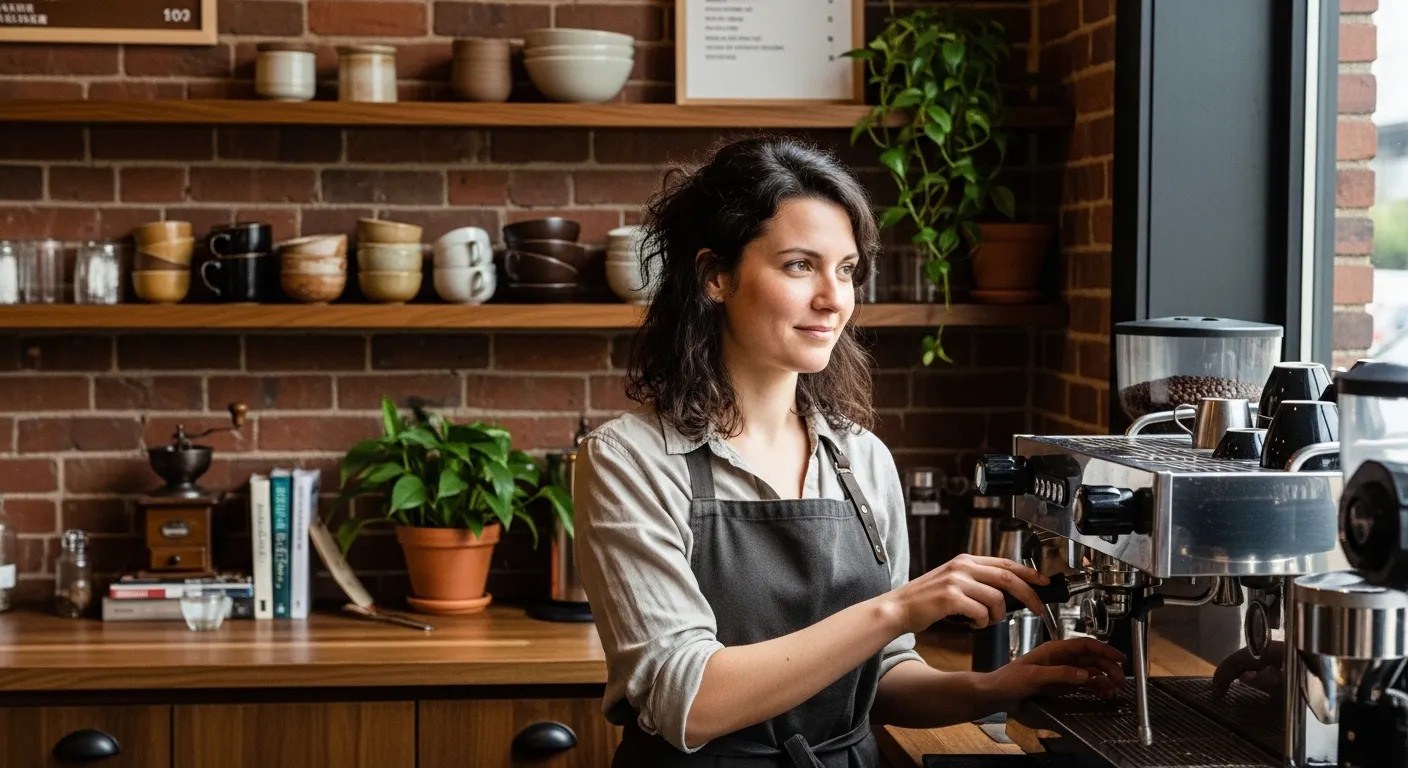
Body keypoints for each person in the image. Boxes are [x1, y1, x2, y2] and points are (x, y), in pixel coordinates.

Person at [572, 136, 1127, 768]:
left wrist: (996, 688)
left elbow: (879, 675)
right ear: (715, 276)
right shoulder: (629, 459)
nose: (835, 299)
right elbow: (688, 699)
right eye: (799, 265)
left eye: (846, 269)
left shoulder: (860, 458)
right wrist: (898, 607)